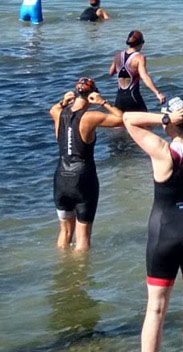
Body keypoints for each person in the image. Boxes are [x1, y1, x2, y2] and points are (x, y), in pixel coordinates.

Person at [123, 97, 183, 352]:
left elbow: (128, 119)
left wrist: (163, 118)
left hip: (165, 230)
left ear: (171, 122)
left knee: (156, 307)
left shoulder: (162, 151)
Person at [49, 78, 124, 250]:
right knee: (82, 238)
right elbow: (120, 119)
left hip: (61, 178)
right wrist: (103, 102)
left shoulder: (58, 113)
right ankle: (79, 275)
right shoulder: (90, 117)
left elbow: (52, 109)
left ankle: (63, 270)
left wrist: (63, 101)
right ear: (92, 95)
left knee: (65, 233)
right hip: (83, 178)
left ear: (75, 94)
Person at [109, 30, 165, 112]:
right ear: (141, 43)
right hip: (133, 97)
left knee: (121, 123)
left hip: (119, 98)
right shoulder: (139, 57)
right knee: (145, 123)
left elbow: (111, 72)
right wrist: (157, 93)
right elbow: (144, 76)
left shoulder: (118, 55)